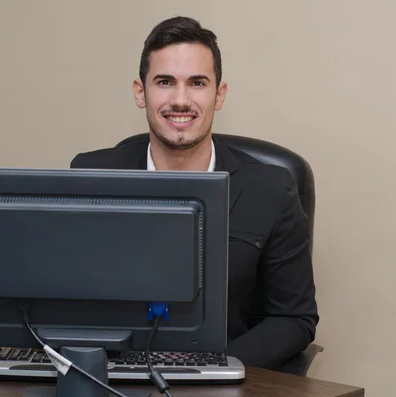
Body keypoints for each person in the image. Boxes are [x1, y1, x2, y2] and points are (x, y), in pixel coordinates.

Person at [70, 16, 318, 370]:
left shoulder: (273, 190)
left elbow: (295, 319)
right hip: (111, 375)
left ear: (220, 95)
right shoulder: (90, 175)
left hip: (221, 378)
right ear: (141, 93)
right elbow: (64, 301)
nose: (181, 100)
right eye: (165, 82)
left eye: (197, 83)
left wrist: (212, 367)